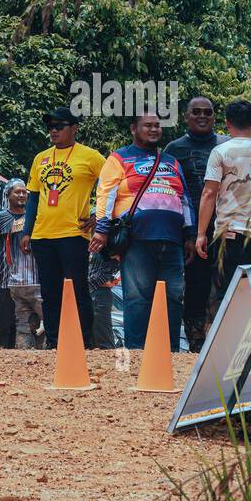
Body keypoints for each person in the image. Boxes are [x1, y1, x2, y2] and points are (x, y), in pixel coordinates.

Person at [91, 110, 192, 350]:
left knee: (174, 298)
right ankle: (136, 353)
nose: (154, 129)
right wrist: (102, 229)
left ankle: (171, 353)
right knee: (137, 298)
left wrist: (189, 234)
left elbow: (185, 199)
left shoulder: (171, 161)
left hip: (172, 240)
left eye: (157, 125)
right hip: (137, 239)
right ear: (133, 129)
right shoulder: (119, 158)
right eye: (148, 125)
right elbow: (105, 193)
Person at [23, 106, 104, 348]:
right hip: (42, 234)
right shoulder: (41, 158)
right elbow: (33, 197)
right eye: (50, 127)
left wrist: (99, 214)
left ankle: (83, 343)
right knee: (49, 293)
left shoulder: (90, 156)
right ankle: (54, 342)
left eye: (59, 126)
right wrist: (27, 231)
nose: (53, 131)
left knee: (77, 291)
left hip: (73, 234)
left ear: (74, 128)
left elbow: (113, 184)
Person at [196, 100, 251, 304]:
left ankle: (226, 336)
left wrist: (201, 234)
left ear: (227, 123)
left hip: (229, 235)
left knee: (226, 295)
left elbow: (209, 193)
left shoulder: (220, 152)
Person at [165, 96, 226, 352]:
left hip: (225, 227)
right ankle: (195, 341)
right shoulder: (173, 149)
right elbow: (170, 191)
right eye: (196, 112)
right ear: (186, 116)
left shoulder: (227, 145)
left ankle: (223, 338)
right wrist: (188, 232)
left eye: (208, 113)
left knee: (225, 283)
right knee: (194, 285)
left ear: (215, 117)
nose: (202, 117)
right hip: (190, 231)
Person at [0, 180, 42, 349]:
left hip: (34, 279)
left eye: (24, 192)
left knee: (37, 323)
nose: (22, 195)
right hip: (3, 280)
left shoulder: (36, 217)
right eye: (17, 192)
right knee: (4, 322)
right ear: (8, 195)